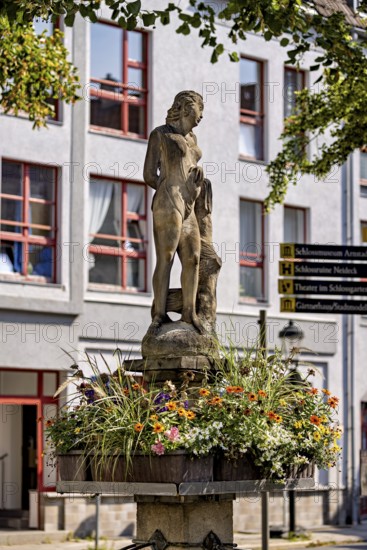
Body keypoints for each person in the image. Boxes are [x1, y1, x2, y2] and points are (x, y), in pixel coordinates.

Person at [143, 90, 205, 333]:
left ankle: (189, 313)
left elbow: (191, 165)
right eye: (201, 109)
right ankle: (159, 314)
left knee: (193, 258)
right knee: (166, 258)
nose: (202, 116)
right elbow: (149, 174)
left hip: (189, 203)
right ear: (187, 108)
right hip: (168, 202)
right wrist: (168, 187)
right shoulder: (160, 134)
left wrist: (197, 180)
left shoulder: (193, 140)